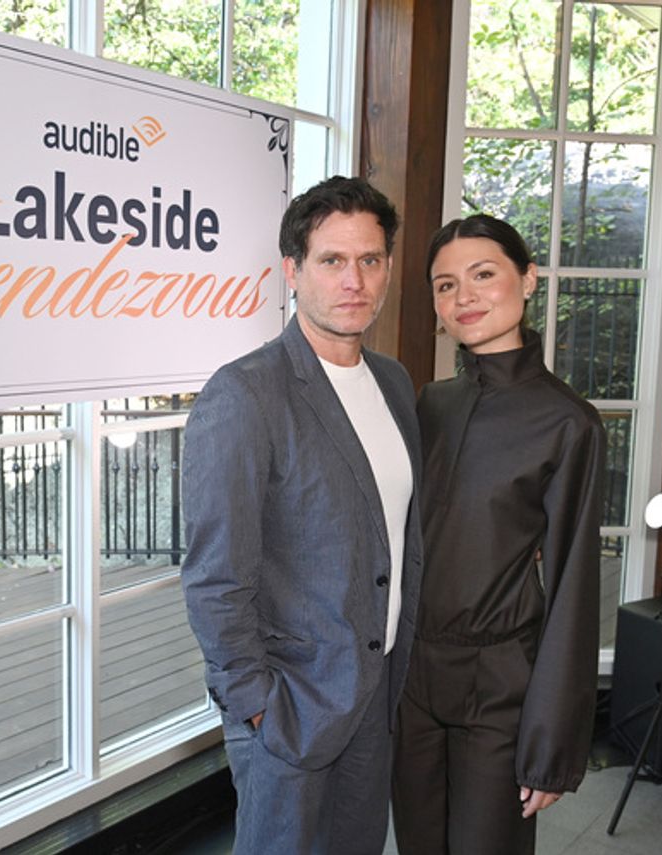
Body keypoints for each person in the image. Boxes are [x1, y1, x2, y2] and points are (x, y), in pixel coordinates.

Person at [181, 176, 423, 854]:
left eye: (370, 260)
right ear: (292, 270)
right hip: (289, 705)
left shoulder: (396, 384)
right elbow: (214, 574)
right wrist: (255, 702)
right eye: (332, 260)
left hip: (374, 696)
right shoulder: (245, 395)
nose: (355, 280)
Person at [391, 214, 606, 854]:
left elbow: (573, 587)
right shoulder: (429, 402)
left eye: (484, 275)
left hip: (500, 686)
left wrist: (552, 742)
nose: (465, 298)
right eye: (446, 284)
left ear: (528, 279)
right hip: (413, 680)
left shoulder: (569, 423)